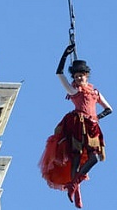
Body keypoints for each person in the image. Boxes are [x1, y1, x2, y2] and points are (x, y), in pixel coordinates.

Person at [39, 43, 112, 208]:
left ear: (87, 76)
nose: (79, 78)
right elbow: (59, 74)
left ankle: (74, 182)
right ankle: (75, 189)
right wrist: (65, 55)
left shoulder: (95, 93)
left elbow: (109, 109)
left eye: (82, 76)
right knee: (76, 158)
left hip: (92, 126)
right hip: (78, 125)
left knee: (94, 158)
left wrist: (96, 118)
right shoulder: (75, 92)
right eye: (76, 76)